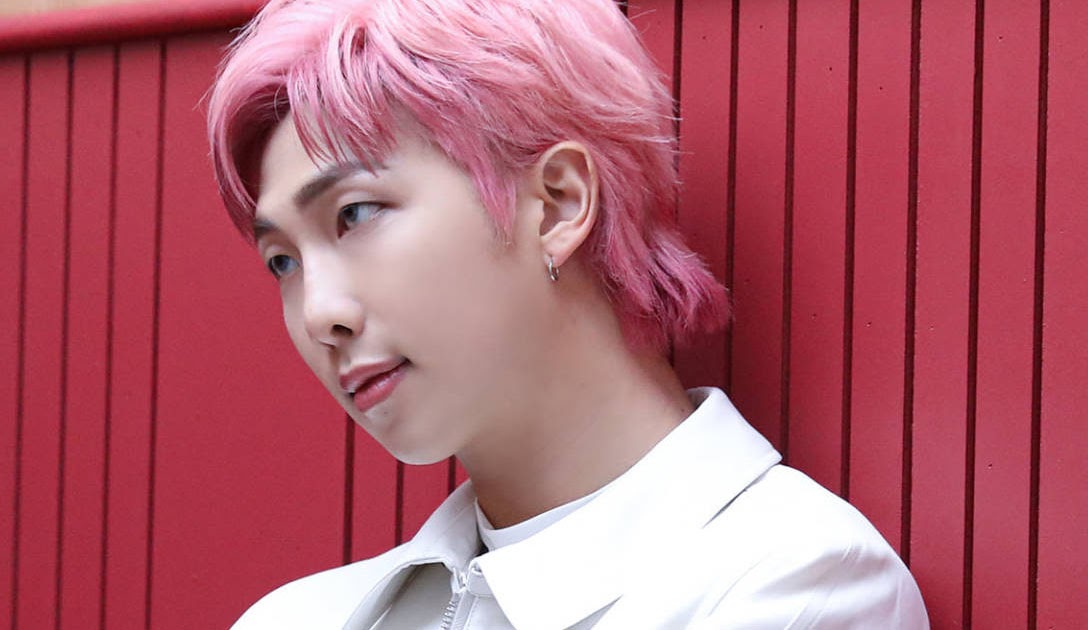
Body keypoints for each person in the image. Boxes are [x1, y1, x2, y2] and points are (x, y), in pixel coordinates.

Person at [206, 0, 929, 627]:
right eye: (283, 262)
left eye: (356, 213)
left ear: (557, 203)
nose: (318, 314)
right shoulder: (297, 618)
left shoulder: (797, 584)